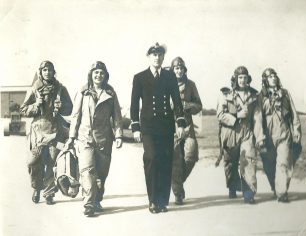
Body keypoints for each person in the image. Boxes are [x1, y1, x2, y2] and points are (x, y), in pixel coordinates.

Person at [130, 43, 186, 213]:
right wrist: (135, 128)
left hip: (166, 126)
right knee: (151, 158)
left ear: (163, 58)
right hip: (148, 127)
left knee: (165, 161)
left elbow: (177, 101)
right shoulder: (139, 77)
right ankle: (153, 200)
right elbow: (134, 105)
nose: (157, 57)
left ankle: (162, 201)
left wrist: (181, 124)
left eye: (160, 55)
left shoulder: (169, 76)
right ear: (149, 57)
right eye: (153, 54)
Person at [65, 61, 123, 216]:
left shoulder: (110, 93)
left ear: (105, 76)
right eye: (96, 72)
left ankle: (97, 199)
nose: (98, 75)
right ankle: (89, 203)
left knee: (101, 174)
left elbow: (117, 116)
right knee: (87, 171)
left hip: (104, 139)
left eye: (101, 73)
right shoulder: (83, 92)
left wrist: (118, 135)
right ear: (91, 74)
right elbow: (75, 116)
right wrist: (72, 136)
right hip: (85, 137)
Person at [20, 60, 73, 205]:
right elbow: (23, 109)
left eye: (50, 70)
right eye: (45, 70)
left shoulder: (61, 89)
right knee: (33, 162)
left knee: (51, 162)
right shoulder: (34, 89)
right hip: (37, 132)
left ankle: (49, 194)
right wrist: (36, 106)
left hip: (55, 131)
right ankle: (37, 187)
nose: (47, 72)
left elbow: (70, 108)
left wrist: (62, 107)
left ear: (53, 72)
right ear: (40, 72)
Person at [216, 66, 264, 204]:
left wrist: (259, 137)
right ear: (235, 79)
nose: (242, 80)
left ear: (248, 79)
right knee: (230, 163)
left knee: (248, 161)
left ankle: (249, 194)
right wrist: (236, 116)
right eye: (240, 77)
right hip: (230, 133)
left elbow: (257, 117)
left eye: (245, 77)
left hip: (247, 133)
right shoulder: (225, 94)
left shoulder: (254, 96)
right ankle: (232, 186)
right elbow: (220, 114)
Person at [259, 68, 302, 202]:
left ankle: (282, 193)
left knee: (284, 162)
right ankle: (275, 187)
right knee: (269, 165)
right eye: (270, 76)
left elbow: (294, 113)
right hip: (268, 134)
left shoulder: (285, 93)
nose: (273, 78)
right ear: (265, 80)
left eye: (274, 76)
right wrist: (260, 136)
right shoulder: (261, 96)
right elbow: (257, 118)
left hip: (284, 132)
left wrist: (296, 130)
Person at [169, 57, 202, 205]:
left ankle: (176, 181)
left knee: (191, 155)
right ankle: (178, 193)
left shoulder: (191, 85)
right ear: (172, 70)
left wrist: (188, 105)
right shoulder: (166, 85)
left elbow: (198, 105)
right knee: (175, 159)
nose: (179, 70)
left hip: (188, 125)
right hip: (172, 126)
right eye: (176, 68)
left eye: (181, 68)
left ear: (184, 70)